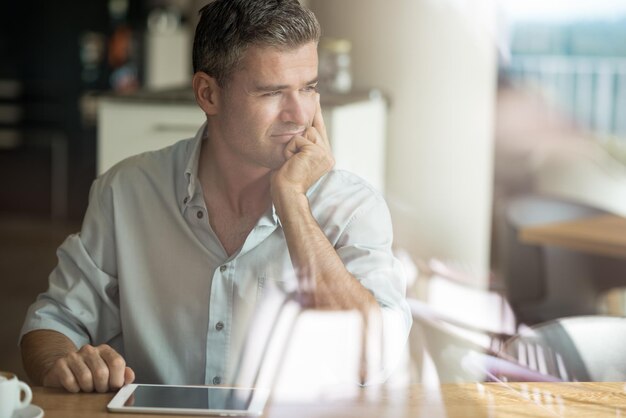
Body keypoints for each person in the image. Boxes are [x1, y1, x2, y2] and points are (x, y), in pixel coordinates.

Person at [20, 0, 411, 393]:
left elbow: (370, 359)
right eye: (272, 92)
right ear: (208, 94)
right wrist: (63, 364)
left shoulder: (352, 207)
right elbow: (52, 323)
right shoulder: (125, 192)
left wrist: (293, 201)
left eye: (308, 88)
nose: (298, 114)